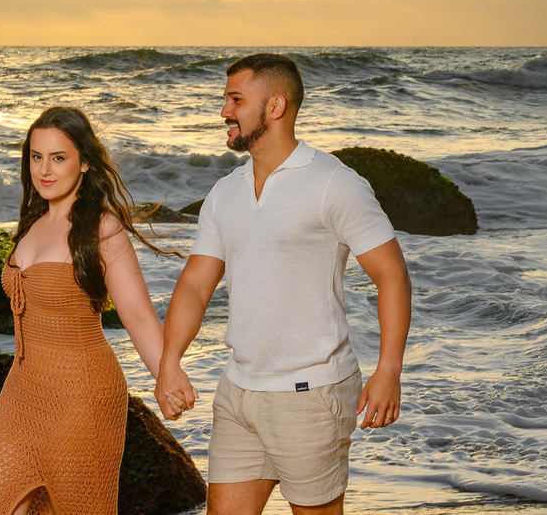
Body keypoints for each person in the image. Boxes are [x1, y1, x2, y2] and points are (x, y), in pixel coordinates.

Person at [154, 53, 412, 515]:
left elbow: (391, 274)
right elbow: (195, 283)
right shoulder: (225, 192)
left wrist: (388, 369)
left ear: (274, 106)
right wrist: (170, 360)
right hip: (238, 393)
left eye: (235, 99)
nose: (224, 112)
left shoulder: (334, 183)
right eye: (225, 99)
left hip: (312, 396)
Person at [0, 106, 180, 515]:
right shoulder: (32, 221)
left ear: (84, 163)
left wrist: (168, 378)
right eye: (36, 157)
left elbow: (137, 316)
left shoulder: (102, 230)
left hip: (82, 398)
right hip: (22, 392)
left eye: (58, 158)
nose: (44, 170)